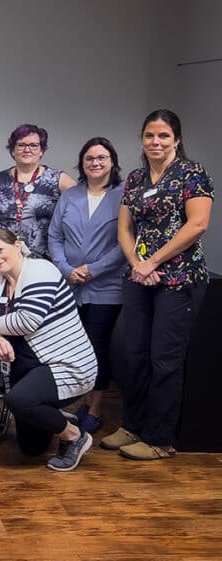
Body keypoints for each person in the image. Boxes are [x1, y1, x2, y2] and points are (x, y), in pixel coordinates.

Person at [105, 109, 214, 460]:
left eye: (164, 136)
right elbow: (124, 229)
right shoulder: (136, 179)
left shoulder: (192, 174)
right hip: (140, 277)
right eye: (150, 135)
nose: (156, 142)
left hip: (179, 279)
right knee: (132, 355)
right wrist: (138, 265)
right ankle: (133, 426)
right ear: (142, 139)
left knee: (164, 359)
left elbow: (197, 225)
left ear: (177, 139)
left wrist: (154, 261)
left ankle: (160, 438)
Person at [0, 228, 97, 471]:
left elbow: (27, 321)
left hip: (66, 363)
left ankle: (74, 435)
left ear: (17, 246)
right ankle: (52, 414)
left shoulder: (40, 271)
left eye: (0, 250)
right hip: (31, 364)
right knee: (30, 448)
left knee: (18, 400)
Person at [47, 137, 126, 432]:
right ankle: (78, 400)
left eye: (102, 158)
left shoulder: (123, 195)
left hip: (106, 287)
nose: (95, 163)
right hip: (69, 287)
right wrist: (66, 269)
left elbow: (125, 242)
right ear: (82, 163)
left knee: (97, 347)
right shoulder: (70, 195)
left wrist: (93, 270)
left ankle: (95, 406)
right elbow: (54, 237)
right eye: (89, 158)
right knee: (70, 346)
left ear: (112, 162)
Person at [0, 124, 77, 260]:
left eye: (34, 145)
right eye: (21, 145)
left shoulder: (57, 179)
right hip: (2, 260)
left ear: (41, 151)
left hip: (44, 260)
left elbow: (81, 213)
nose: (27, 149)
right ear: (13, 150)